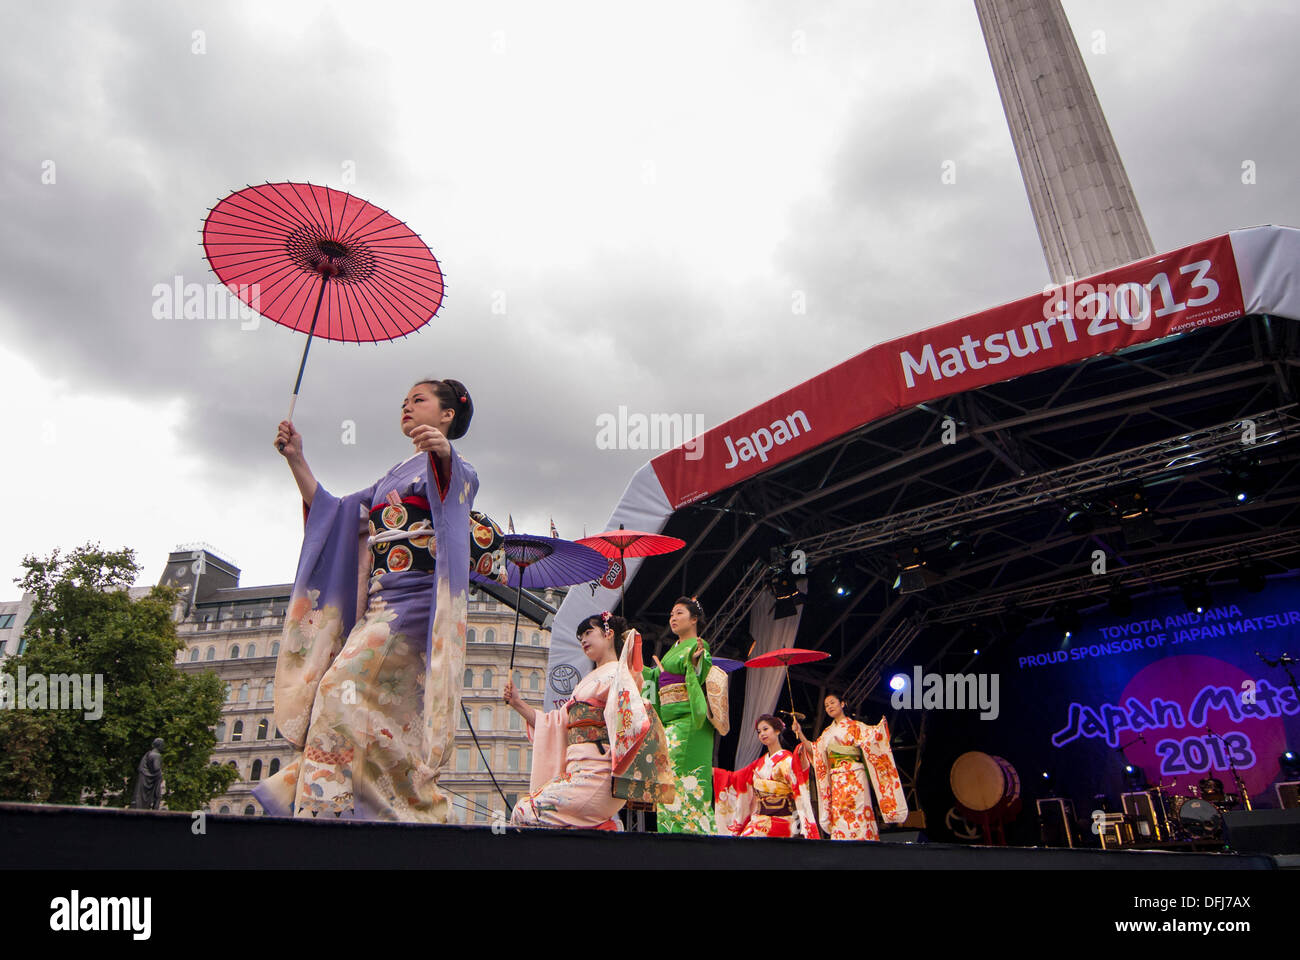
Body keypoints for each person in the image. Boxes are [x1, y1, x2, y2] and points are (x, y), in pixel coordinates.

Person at [252, 378, 486, 822]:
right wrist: (296, 459)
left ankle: (325, 807)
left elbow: (459, 484)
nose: (407, 406)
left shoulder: (454, 466)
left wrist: (442, 452)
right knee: (380, 720)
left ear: (447, 415)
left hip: (412, 604)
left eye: (419, 400)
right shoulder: (390, 477)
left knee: (337, 691)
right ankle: (409, 809)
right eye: (404, 401)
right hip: (378, 608)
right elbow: (335, 514)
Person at [504, 612, 674, 829]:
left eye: (588, 632)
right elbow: (554, 724)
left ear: (608, 633)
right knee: (531, 815)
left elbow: (633, 713)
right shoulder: (587, 682)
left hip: (598, 773)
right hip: (577, 772)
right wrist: (518, 703)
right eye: (580, 637)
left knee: (524, 812)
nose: (583, 640)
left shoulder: (619, 675)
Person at [641, 596, 728, 833]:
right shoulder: (674, 650)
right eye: (671, 614)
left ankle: (691, 833)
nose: (673, 618)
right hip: (670, 722)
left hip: (690, 720)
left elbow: (700, 670)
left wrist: (696, 661)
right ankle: (671, 831)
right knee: (668, 777)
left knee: (684, 777)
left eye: (679, 613)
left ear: (694, 619)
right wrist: (645, 673)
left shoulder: (698, 646)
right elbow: (658, 680)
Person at [792, 691, 908, 840]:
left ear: (842, 704)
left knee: (859, 809)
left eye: (832, 703)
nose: (829, 707)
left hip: (855, 776)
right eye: (826, 705)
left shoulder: (856, 726)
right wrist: (800, 733)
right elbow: (816, 751)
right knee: (840, 811)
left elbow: (873, 738)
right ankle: (842, 839)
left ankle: (863, 840)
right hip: (837, 779)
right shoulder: (827, 733)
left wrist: (880, 728)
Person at [713, 715, 819, 838]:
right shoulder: (759, 763)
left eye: (765, 729)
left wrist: (800, 735)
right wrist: (715, 773)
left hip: (782, 819)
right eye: (759, 732)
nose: (762, 734)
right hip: (760, 818)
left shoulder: (788, 760)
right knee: (742, 841)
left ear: (777, 731)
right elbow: (736, 778)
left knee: (746, 842)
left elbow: (798, 785)